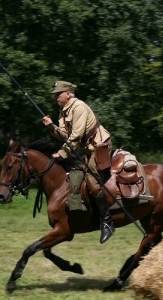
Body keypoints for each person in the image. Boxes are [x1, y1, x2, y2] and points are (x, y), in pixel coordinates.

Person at [42, 80, 115, 244]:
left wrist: (61, 153)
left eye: (58, 94)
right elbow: (64, 134)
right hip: (86, 149)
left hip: (99, 146)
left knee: (92, 180)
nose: (56, 98)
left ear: (68, 93)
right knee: (75, 176)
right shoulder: (63, 111)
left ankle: (108, 222)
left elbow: (75, 136)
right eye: (55, 95)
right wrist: (51, 126)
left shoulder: (79, 107)